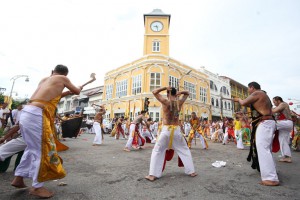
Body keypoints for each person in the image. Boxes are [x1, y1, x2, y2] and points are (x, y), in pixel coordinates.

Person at [11, 65, 83, 198]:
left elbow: (53, 95)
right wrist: (78, 87)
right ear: (66, 75)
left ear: (52, 72)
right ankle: (37, 187)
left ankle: (18, 178)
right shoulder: (62, 78)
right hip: (37, 114)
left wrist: (67, 92)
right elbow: (77, 91)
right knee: (42, 150)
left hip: (27, 112)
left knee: (31, 148)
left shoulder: (45, 80)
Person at [145, 87, 197, 181]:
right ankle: (191, 171)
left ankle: (153, 175)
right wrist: (180, 92)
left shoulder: (166, 102)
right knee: (184, 150)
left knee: (157, 151)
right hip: (176, 130)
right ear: (175, 93)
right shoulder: (179, 102)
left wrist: (165, 88)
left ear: (168, 94)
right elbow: (187, 92)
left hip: (166, 130)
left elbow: (154, 92)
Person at [233, 81, 279, 186]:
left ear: (252, 87)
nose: (248, 91)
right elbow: (251, 106)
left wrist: (237, 99)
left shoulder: (258, 93)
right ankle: (271, 174)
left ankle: (271, 178)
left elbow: (243, 102)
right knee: (265, 149)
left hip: (265, 122)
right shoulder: (262, 95)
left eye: (248, 89)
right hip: (267, 122)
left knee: (263, 149)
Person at [272, 96, 293, 163]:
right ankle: (286, 156)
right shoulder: (280, 105)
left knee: (270, 123)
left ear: (278, 100)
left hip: (286, 122)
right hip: (285, 124)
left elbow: (274, 110)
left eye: (274, 102)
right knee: (283, 140)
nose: (274, 103)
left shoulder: (283, 104)